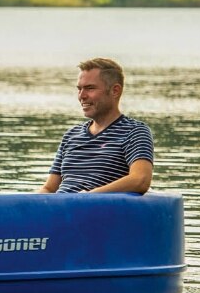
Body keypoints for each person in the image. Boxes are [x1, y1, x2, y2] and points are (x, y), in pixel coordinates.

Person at [36, 58, 154, 194]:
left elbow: (141, 180)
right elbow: (49, 188)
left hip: (95, 211)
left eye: (90, 88)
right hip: (60, 210)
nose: (81, 96)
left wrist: (90, 197)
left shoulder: (135, 132)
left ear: (115, 91)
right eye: (79, 89)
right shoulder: (71, 135)